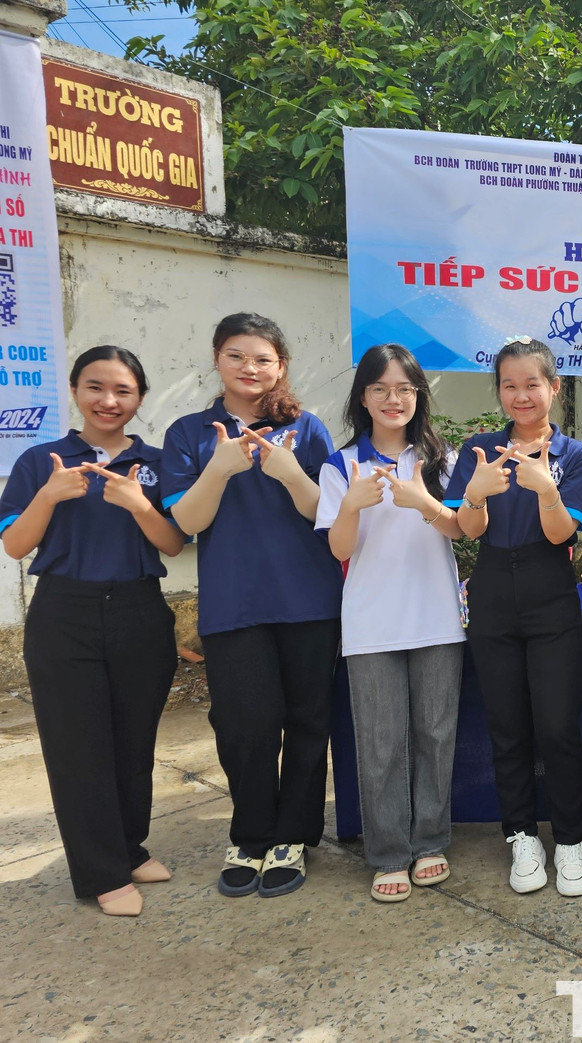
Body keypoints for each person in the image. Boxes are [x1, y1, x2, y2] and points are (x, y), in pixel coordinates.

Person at [0, 346, 185, 917]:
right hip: (65, 613)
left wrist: (137, 504)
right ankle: (101, 872)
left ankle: (127, 848)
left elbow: (174, 543)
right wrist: (49, 497)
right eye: (96, 387)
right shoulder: (43, 459)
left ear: (140, 399)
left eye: (123, 391)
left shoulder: (157, 462)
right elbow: (14, 543)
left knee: (134, 743)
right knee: (79, 747)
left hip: (139, 609)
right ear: (76, 392)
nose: (109, 401)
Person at [163, 313, 343, 899]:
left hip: (309, 601)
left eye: (263, 359)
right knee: (245, 724)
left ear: (281, 367)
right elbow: (185, 524)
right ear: (218, 360)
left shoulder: (306, 429)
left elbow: (330, 517)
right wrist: (218, 469)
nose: (250, 368)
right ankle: (249, 834)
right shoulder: (191, 433)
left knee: (307, 722)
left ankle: (292, 837)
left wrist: (291, 475)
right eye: (237, 356)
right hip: (234, 605)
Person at [442, 337, 582, 897]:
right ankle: (521, 837)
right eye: (510, 384)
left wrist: (546, 489)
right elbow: (468, 530)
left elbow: (562, 535)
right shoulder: (480, 449)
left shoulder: (576, 456)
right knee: (507, 726)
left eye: (533, 383)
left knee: (557, 726)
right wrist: (476, 496)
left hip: (549, 590)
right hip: (491, 595)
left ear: (553, 388)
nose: (521, 395)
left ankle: (571, 841)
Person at [317, 344, 464, 903]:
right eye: (380, 388)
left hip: (437, 619)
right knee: (380, 744)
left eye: (404, 388)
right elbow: (338, 547)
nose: (393, 398)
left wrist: (421, 498)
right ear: (363, 398)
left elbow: (461, 530)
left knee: (435, 735)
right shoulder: (340, 464)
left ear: (418, 395)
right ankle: (386, 854)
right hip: (371, 623)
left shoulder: (440, 458)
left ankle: (430, 843)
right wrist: (353, 503)